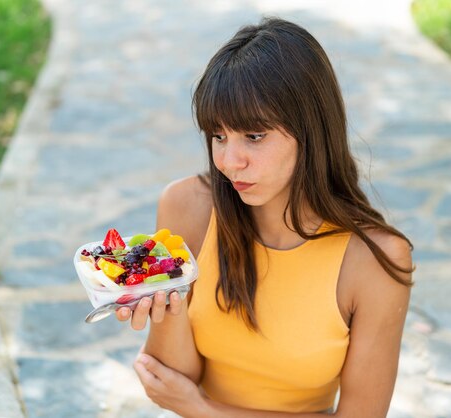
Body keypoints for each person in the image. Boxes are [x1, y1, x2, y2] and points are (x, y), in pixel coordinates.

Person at [115, 16, 414, 417]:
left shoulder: (376, 259)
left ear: (311, 129)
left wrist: (205, 410)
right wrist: (165, 308)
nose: (228, 161)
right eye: (218, 136)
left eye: (254, 137)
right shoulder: (188, 206)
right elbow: (167, 381)